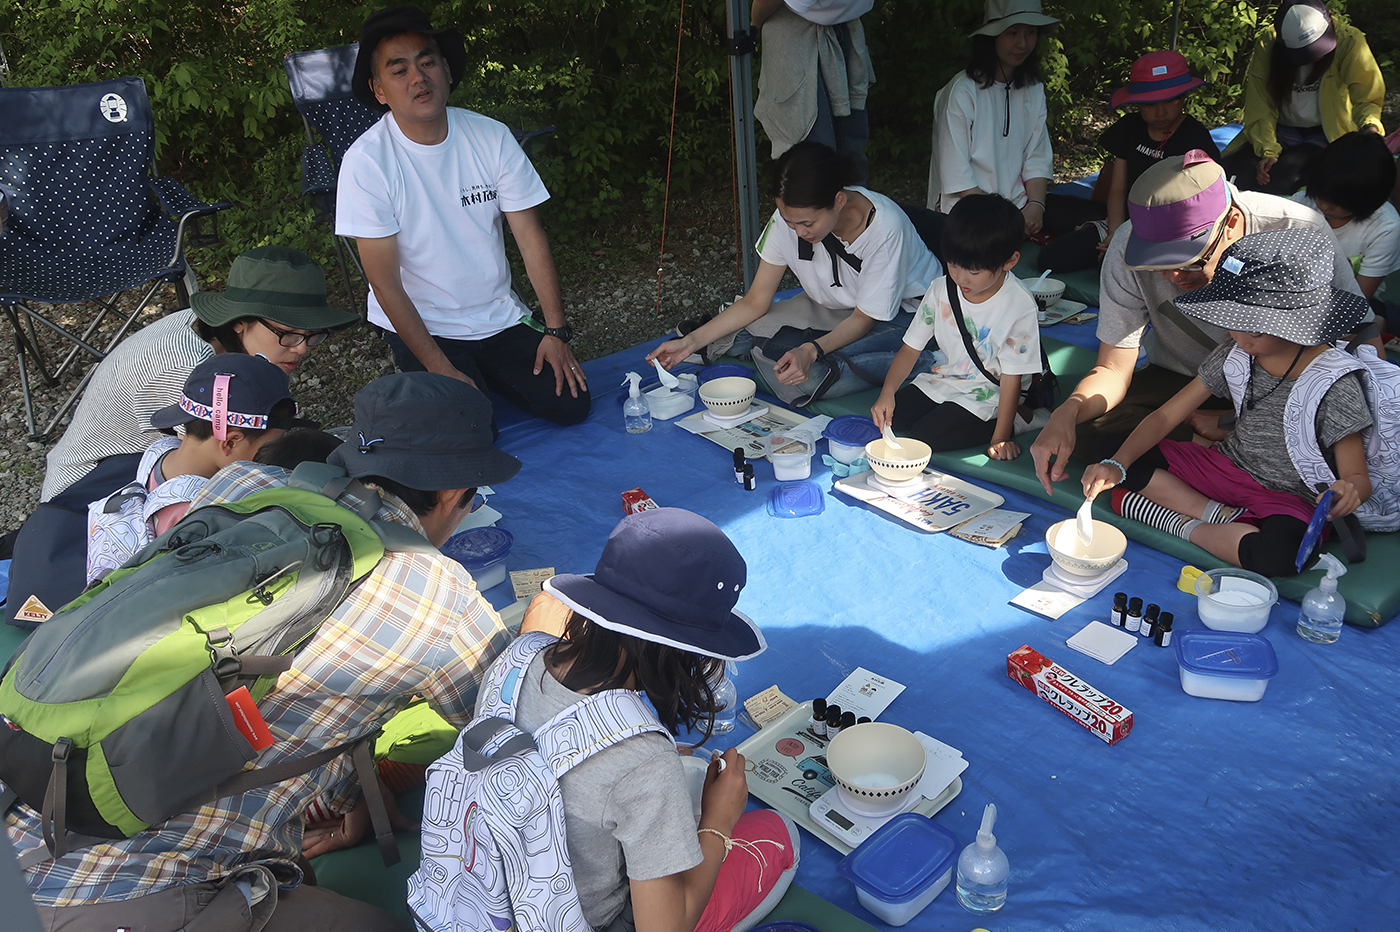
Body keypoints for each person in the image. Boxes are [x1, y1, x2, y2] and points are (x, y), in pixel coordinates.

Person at [4, 371, 523, 931]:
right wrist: (535, 645)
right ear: (452, 495)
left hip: (27, 780)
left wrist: (347, 791)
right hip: (118, 892)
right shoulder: (439, 592)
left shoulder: (242, 484)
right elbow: (511, 734)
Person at [477, 507, 798, 932]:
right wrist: (719, 819)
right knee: (781, 833)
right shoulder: (643, 761)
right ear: (686, 649)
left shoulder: (519, 656)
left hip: (475, 899)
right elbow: (664, 929)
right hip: (580, 921)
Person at [6, 246, 357, 628]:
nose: (302, 348)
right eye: (288, 334)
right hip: (90, 505)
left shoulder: (218, 343)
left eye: (313, 335)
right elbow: (236, 467)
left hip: (158, 468)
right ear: (241, 322)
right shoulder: (194, 374)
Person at [1029, 148, 1365, 496]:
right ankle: (1234, 452)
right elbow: (1113, 368)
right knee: (1092, 432)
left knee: (1330, 439)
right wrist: (1065, 414)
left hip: (1287, 388)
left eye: (1190, 262)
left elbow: (1355, 333)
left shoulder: (1297, 231)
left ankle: (1229, 448)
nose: (1173, 276)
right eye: (1157, 265)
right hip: (1182, 379)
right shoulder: (1127, 247)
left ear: (1231, 222)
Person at [337, 4, 589, 428]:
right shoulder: (367, 161)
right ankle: (460, 382)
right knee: (470, 432)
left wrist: (555, 331)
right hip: (426, 325)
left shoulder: (490, 136)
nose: (418, 77)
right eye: (399, 70)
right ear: (379, 90)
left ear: (447, 71)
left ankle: (486, 374)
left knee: (571, 405)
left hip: (496, 315)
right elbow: (383, 281)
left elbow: (529, 235)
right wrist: (440, 367)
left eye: (428, 61)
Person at [1081, 228, 1371, 577]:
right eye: (1234, 323)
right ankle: (1217, 518)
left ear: (1298, 322)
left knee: (1283, 554)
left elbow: (1357, 475)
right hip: (1224, 468)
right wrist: (1117, 464)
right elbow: (1166, 416)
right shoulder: (1236, 353)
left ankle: (1181, 524)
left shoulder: (1335, 382)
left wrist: (1349, 490)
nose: (1240, 337)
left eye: (1255, 329)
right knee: (1110, 447)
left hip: (1289, 497)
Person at [648, 141, 941, 404]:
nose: (799, 232)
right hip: (834, 306)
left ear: (839, 200)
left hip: (903, 317)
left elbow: (864, 319)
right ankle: (773, 348)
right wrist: (688, 345)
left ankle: (928, 360)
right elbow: (755, 301)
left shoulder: (886, 230)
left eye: (807, 224)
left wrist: (812, 350)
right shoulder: (788, 218)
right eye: (790, 223)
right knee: (736, 334)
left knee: (811, 375)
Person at [85, 355, 315, 584]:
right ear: (230, 442)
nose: (275, 452)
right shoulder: (201, 514)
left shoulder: (159, 453)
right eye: (272, 444)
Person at [871, 194, 1045, 457]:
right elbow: (910, 349)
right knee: (896, 416)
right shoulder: (942, 289)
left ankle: (1024, 419)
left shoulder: (1018, 305)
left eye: (974, 271)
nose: (961, 277)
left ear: (1009, 261)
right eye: (953, 264)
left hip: (993, 391)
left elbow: (1011, 377)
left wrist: (1000, 438)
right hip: (947, 377)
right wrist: (887, 393)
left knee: (928, 436)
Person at [926, 0, 1105, 239]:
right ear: (992, 36)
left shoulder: (1032, 88)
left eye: (1031, 32)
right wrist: (1006, 220)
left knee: (1098, 215)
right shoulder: (962, 92)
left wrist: (1036, 207)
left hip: (1019, 208)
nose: (1023, 43)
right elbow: (957, 177)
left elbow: (1037, 156)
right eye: (1012, 33)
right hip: (967, 212)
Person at [1038, 50, 1220, 273]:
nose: (1160, 112)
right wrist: (1115, 232)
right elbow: (1118, 188)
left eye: (1171, 100)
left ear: (1183, 97)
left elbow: (1202, 202)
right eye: (1150, 104)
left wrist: (1129, 238)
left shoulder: (1194, 138)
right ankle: (1101, 237)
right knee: (1045, 211)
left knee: (1106, 267)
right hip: (1120, 215)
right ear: (1138, 104)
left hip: (1163, 228)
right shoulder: (1130, 127)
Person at [1221, 0, 1385, 196]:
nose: (1315, 57)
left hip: (1325, 132)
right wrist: (1268, 151)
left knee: (1284, 178)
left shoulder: (1349, 41)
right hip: (1279, 128)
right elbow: (1259, 103)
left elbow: (1366, 95)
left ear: (1330, 19)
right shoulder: (1269, 42)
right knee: (1236, 174)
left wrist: (1370, 128)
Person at [752, 0, 873, 181]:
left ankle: (848, 205)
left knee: (831, 152)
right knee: (814, 152)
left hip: (838, 25)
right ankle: (826, 205)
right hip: (799, 30)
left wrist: (755, 23)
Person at [1293, 130, 1400, 312]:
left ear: (1370, 200)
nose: (1325, 207)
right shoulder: (1301, 204)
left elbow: (1359, 297)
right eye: (1320, 195)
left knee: (1375, 322)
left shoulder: (1385, 227)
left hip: (1351, 301)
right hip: (1295, 294)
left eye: (1337, 203)